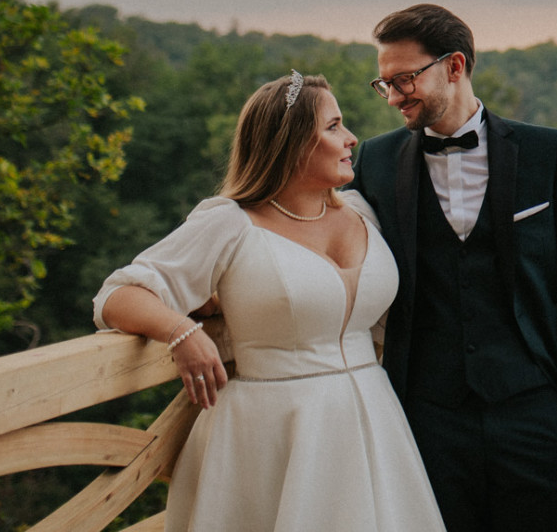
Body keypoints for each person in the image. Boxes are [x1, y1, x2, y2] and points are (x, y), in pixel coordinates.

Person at [94, 71, 444, 532]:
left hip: (373, 422)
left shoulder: (362, 212)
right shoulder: (230, 223)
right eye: (333, 126)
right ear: (293, 142)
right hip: (271, 433)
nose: (352, 138)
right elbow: (118, 294)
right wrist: (183, 332)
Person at [353, 4, 557, 532]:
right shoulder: (375, 161)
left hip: (532, 412)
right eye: (382, 84)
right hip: (425, 417)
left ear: (455, 67)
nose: (393, 96)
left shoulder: (547, 152)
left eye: (404, 79)